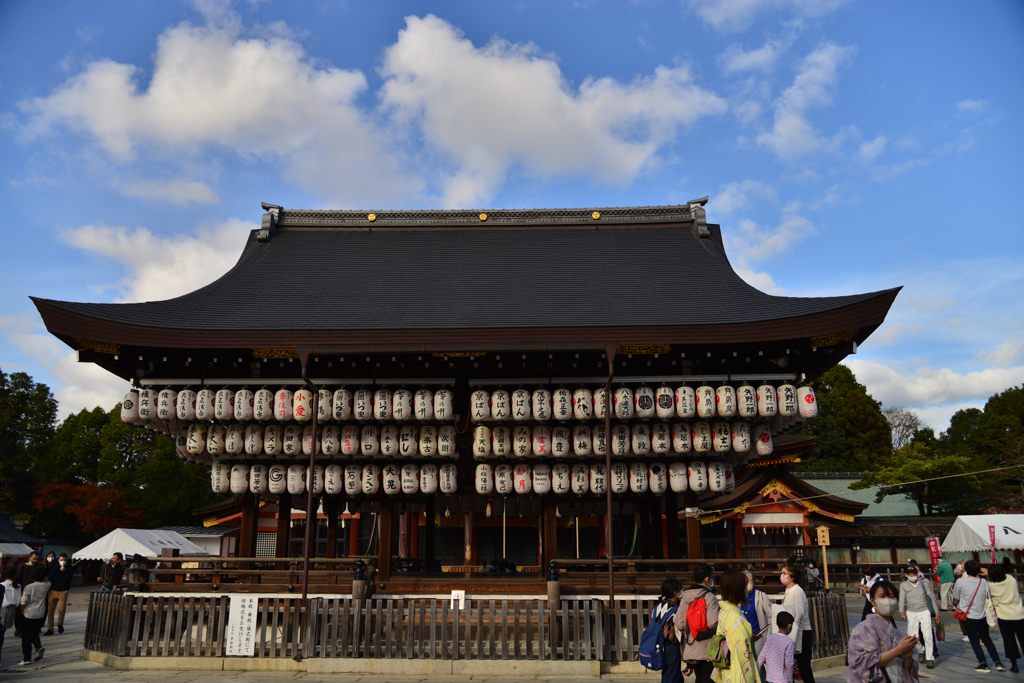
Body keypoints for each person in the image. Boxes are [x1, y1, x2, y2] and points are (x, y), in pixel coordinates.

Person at [845, 579, 920, 683]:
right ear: (872, 601)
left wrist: (908, 659)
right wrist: (898, 650)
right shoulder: (864, 628)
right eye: (882, 596)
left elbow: (906, 671)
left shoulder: (898, 634)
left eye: (891, 596)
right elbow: (862, 663)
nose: (888, 600)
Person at [951, 559, 1004, 673]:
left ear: (966, 570)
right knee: (987, 639)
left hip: (968, 615)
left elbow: (956, 596)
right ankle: (998, 662)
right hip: (982, 614)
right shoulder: (983, 582)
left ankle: (983, 663)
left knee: (974, 641)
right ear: (978, 570)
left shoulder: (960, 582)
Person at [675, 563, 720, 683]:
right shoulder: (710, 597)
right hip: (708, 647)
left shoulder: (685, 597)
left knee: (699, 678)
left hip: (690, 646)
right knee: (708, 678)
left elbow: (679, 624)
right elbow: (712, 623)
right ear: (707, 579)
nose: (712, 580)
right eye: (712, 577)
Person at [713, 569, 758, 683]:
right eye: (744, 586)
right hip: (737, 671)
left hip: (727, 669)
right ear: (739, 590)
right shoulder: (737, 617)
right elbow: (742, 653)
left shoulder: (724, 611)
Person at [780, 563, 815, 683]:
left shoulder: (797, 591)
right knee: (788, 664)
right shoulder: (788, 590)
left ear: (792, 576)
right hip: (791, 630)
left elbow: (799, 612)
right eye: (782, 573)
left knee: (803, 665)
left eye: (785, 573)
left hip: (802, 631)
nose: (782, 576)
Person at [898, 566, 939, 669]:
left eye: (913, 574)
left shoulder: (923, 584)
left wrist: (937, 613)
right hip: (911, 612)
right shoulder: (903, 585)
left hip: (924, 611)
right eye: (909, 574)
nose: (911, 576)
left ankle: (930, 658)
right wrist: (901, 610)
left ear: (917, 574)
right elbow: (902, 598)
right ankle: (922, 650)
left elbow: (931, 598)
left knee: (928, 635)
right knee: (912, 636)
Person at [987, 564, 1024, 673]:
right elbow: (1005, 575)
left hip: (1003, 616)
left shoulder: (990, 586)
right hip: (1019, 614)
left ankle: (1014, 665)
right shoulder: (1011, 579)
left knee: (1009, 640)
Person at [654, 578, 684, 683]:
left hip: (660, 645)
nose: (682, 592)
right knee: (671, 677)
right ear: (675, 593)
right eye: (681, 590)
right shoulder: (676, 610)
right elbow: (679, 631)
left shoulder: (658, 607)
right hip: (672, 647)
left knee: (673, 675)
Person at [18, 565, 50, 665]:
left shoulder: (29, 587)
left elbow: (23, 602)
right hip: (40, 614)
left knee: (26, 637)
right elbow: (47, 581)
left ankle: (27, 657)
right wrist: (45, 578)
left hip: (29, 613)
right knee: (35, 633)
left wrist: (21, 612)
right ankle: (38, 647)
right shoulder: (47, 585)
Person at [741, 570, 772, 657]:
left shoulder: (761, 595)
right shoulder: (739, 597)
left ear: (753, 582)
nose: (746, 583)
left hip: (758, 636)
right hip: (743, 637)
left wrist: (768, 636)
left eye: (748, 580)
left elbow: (771, 615)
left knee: (756, 661)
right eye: (744, 580)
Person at [758, 612, 796, 683]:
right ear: (789, 626)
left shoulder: (770, 638)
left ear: (777, 623)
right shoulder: (789, 643)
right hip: (783, 680)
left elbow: (761, 657)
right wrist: (790, 680)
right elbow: (789, 664)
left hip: (770, 679)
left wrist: (755, 674)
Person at [45, 553, 73, 635]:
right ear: (58, 560)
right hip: (53, 590)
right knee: (50, 610)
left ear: (66, 560)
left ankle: (60, 624)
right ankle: (50, 628)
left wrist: (63, 572)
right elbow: (50, 578)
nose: (62, 561)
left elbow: (69, 579)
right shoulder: (54, 567)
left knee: (61, 609)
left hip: (63, 590)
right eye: (61, 560)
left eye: (64, 560)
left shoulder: (70, 568)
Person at [1, 566, 22, 665]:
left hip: (2, 609)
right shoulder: (18, 586)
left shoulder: (1, 585)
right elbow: (18, 602)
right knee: (2, 632)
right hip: (12, 609)